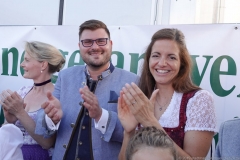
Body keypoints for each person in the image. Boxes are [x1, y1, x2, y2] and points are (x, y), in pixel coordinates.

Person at [36, 19, 139, 160]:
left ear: (111, 44)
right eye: (87, 42)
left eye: (101, 41)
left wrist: (101, 115)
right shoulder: (65, 76)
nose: (95, 47)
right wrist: (51, 118)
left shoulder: (131, 81)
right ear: (80, 46)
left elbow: (135, 134)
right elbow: (43, 128)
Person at [118, 28, 217, 159]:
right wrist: (128, 132)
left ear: (181, 63)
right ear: (148, 60)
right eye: (156, 55)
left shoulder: (198, 99)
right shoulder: (141, 97)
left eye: (171, 57)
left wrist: (149, 121)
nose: (162, 63)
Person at [0, 41, 65, 159]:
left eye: (27, 60)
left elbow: (47, 143)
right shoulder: (22, 91)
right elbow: (6, 132)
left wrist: (20, 113)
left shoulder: (56, 97)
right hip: (12, 154)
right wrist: (10, 120)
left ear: (43, 65)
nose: (21, 64)